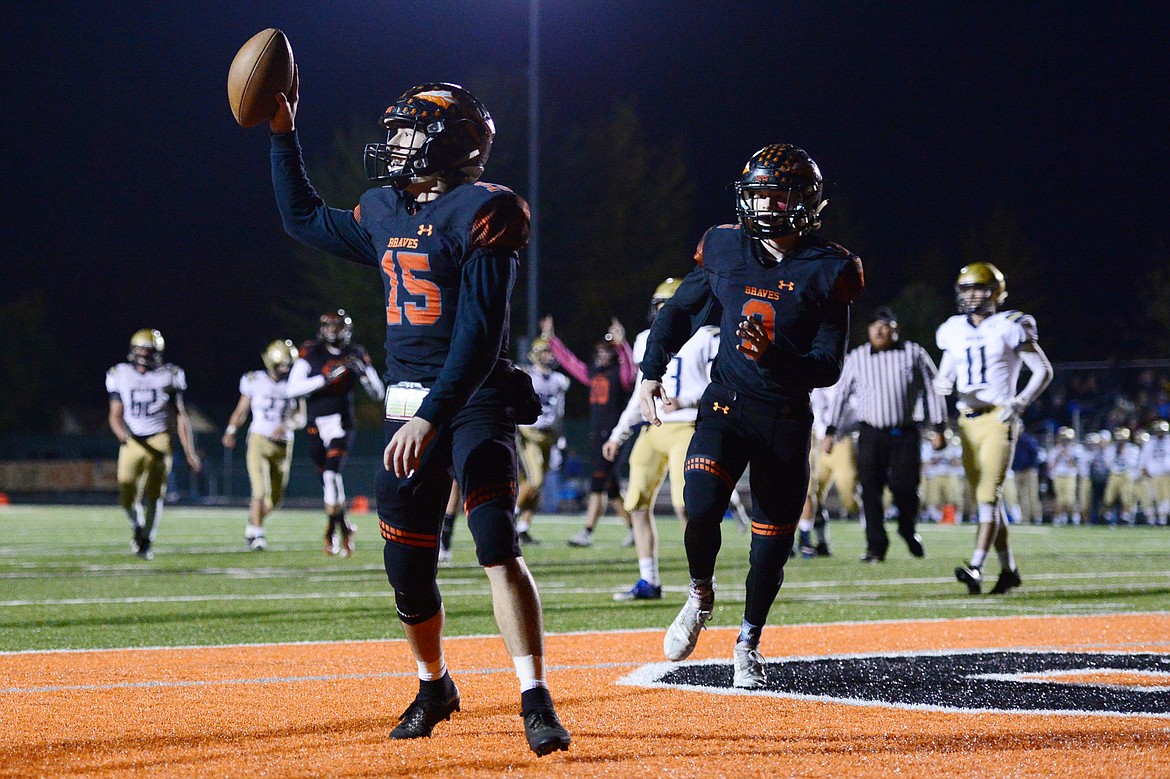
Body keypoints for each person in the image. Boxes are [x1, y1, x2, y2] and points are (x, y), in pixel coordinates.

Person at [266, 76, 570, 755]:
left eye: (406, 130)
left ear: (445, 141)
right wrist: (283, 133)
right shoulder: (384, 209)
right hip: (408, 401)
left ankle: (534, 694)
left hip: (471, 398)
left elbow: (481, 334)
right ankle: (435, 684)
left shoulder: (484, 210)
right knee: (406, 567)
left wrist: (433, 415)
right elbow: (303, 219)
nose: (393, 143)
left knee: (495, 538)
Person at [639, 143, 864, 688]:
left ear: (805, 202)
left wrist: (774, 355)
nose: (763, 206)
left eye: (776, 195)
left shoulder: (830, 268)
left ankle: (748, 641)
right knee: (699, 506)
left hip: (784, 419)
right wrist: (651, 370)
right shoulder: (724, 247)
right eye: (757, 193)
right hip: (725, 406)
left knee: (769, 547)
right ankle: (699, 594)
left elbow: (829, 366)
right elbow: (681, 310)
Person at [935, 261, 1053, 595]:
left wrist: (1020, 402)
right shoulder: (953, 329)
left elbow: (1043, 370)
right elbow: (945, 373)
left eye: (978, 288)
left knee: (988, 496)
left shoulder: (1010, 324)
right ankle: (1009, 570)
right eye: (966, 289)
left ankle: (976, 567)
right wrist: (942, 387)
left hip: (998, 417)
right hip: (965, 422)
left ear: (995, 292)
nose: (971, 295)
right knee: (987, 501)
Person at [602, 278, 720, 601]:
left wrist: (687, 401)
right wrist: (618, 433)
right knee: (635, 503)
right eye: (659, 308)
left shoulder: (706, 337)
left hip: (687, 428)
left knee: (688, 509)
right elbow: (641, 394)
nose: (662, 314)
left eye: (668, 307)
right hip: (653, 428)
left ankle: (701, 581)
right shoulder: (644, 341)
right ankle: (648, 580)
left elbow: (719, 384)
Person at [824, 307, 947, 561]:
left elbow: (933, 390)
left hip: (905, 432)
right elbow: (841, 395)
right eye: (874, 326)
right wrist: (831, 430)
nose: (879, 330)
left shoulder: (913, 353)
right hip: (871, 432)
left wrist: (939, 427)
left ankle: (907, 526)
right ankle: (875, 546)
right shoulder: (857, 357)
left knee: (905, 487)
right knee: (870, 489)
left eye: (884, 325)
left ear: (895, 329)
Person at [286, 310, 384, 557]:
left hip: (341, 422)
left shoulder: (356, 353)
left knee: (331, 475)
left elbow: (378, 393)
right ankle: (345, 527)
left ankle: (330, 531)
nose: (333, 330)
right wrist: (324, 378)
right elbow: (292, 389)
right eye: (329, 325)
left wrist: (363, 372)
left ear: (346, 329)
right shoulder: (311, 351)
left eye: (337, 326)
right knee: (327, 481)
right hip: (315, 423)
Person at [106, 328, 203, 559]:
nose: (145, 355)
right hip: (132, 439)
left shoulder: (170, 374)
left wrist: (189, 451)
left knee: (154, 494)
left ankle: (147, 540)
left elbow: (180, 415)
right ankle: (138, 525)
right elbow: (115, 414)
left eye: (149, 351)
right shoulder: (119, 373)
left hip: (160, 437)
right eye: (141, 350)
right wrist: (122, 433)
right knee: (126, 491)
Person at [543, 315, 637, 548]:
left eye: (608, 349)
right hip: (597, 436)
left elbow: (631, 373)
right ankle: (636, 529)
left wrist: (623, 344)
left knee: (596, 484)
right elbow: (571, 363)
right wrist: (553, 341)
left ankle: (586, 531)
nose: (603, 353)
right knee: (612, 488)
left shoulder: (620, 374)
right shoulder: (593, 373)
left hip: (613, 437)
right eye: (601, 349)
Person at [221, 339, 306, 550]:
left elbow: (301, 416)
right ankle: (257, 535)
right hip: (258, 440)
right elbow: (241, 411)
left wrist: (287, 424)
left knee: (275, 498)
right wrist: (231, 430)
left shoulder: (295, 383)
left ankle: (253, 522)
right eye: (281, 365)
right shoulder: (254, 380)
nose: (285, 369)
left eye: (288, 365)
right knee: (259, 490)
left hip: (284, 444)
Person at [513, 337, 571, 545]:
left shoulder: (558, 380)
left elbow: (559, 412)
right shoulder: (526, 374)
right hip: (529, 433)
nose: (549, 355)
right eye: (545, 351)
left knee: (539, 484)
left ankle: (523, 527)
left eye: (550, 351)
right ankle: (511, 518)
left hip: (549, 434)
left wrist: (561, 437)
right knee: (535, 480)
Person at [798, 382, 859, 557]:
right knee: (811, 494)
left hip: (837, 439)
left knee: (846, 495)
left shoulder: (847, 374)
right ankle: (812, 540)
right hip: (813, 437)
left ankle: (807, 540)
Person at [1004, 428, 1043, 524]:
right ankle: (1025, 518)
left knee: (1032, 495)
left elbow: (1034, 455)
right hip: (1016, 471)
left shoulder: (1027, 440)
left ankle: (1037, 517)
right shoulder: (1010, 440)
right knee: (1021, 496)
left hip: (1029, 471)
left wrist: (1032, 468)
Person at [1138, 419, 1170, 525]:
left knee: (1166, 497)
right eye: (1158, 430)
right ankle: (1154, 520)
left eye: (1161, 430)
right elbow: (1144, 457)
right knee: (1154, 497)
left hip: (1166, 474)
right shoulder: (1150, 442)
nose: (1160, 432)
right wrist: (1143, 468)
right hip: (1153, 474)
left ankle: (1162, 520)